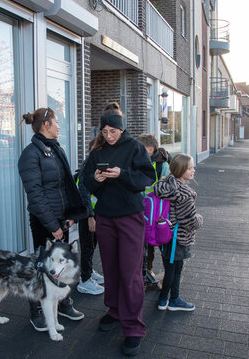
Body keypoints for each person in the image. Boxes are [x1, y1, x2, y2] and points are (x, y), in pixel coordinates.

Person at [83, 103, 155, 357]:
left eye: (113, 131)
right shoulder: (96, 151)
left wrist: (122, 174)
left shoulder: (134, 147)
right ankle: (114, 311)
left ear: (121, 129)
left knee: (131, 272)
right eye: (104, 131)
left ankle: (133, 328)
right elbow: (86, 182)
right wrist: (97, 179)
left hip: (130, 218)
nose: (108, 136)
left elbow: (148, 178)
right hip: (106, 217)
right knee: (111, 268)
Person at [18, 107, 88, 331]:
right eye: (56, 122)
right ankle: (36, 311)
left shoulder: (55, 149)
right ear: (46, 124)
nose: (59, 126)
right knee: (41, 265)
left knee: (61, 265)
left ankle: (63, 303)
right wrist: (52, 227)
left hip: (60, 220)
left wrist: (70, 217)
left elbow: (64, 187)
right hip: (43, 221)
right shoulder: (31, 154)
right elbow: (36, 196)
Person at [153, 153, 203, 312]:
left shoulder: (165, 184)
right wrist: (200, 219)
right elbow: (190, 221)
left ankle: (167, 299)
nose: (193, 170)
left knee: (170, 268)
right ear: (181, 169)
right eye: (190, 168)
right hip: (178, 238)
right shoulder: (185, 194)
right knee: (174, 270)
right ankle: (170, 299)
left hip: (165, 235)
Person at [135, 134, 171, 286]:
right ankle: (145, 271)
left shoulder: (162, 166)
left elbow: (167, 187)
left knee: (155, 242)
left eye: (140, 149)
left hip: (157, 213)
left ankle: (157, 273)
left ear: (149, 150)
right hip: (140, 210)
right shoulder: (140, 162)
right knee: (142, 242)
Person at [75, 158, 105, 295]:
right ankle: (85, 281)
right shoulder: (88, 167)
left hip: (95, 213)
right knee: (87, 246)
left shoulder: (98, 166)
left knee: (92, 245)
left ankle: (89, 271)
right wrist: (90, 216)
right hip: (87, 215)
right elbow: (84, 193)